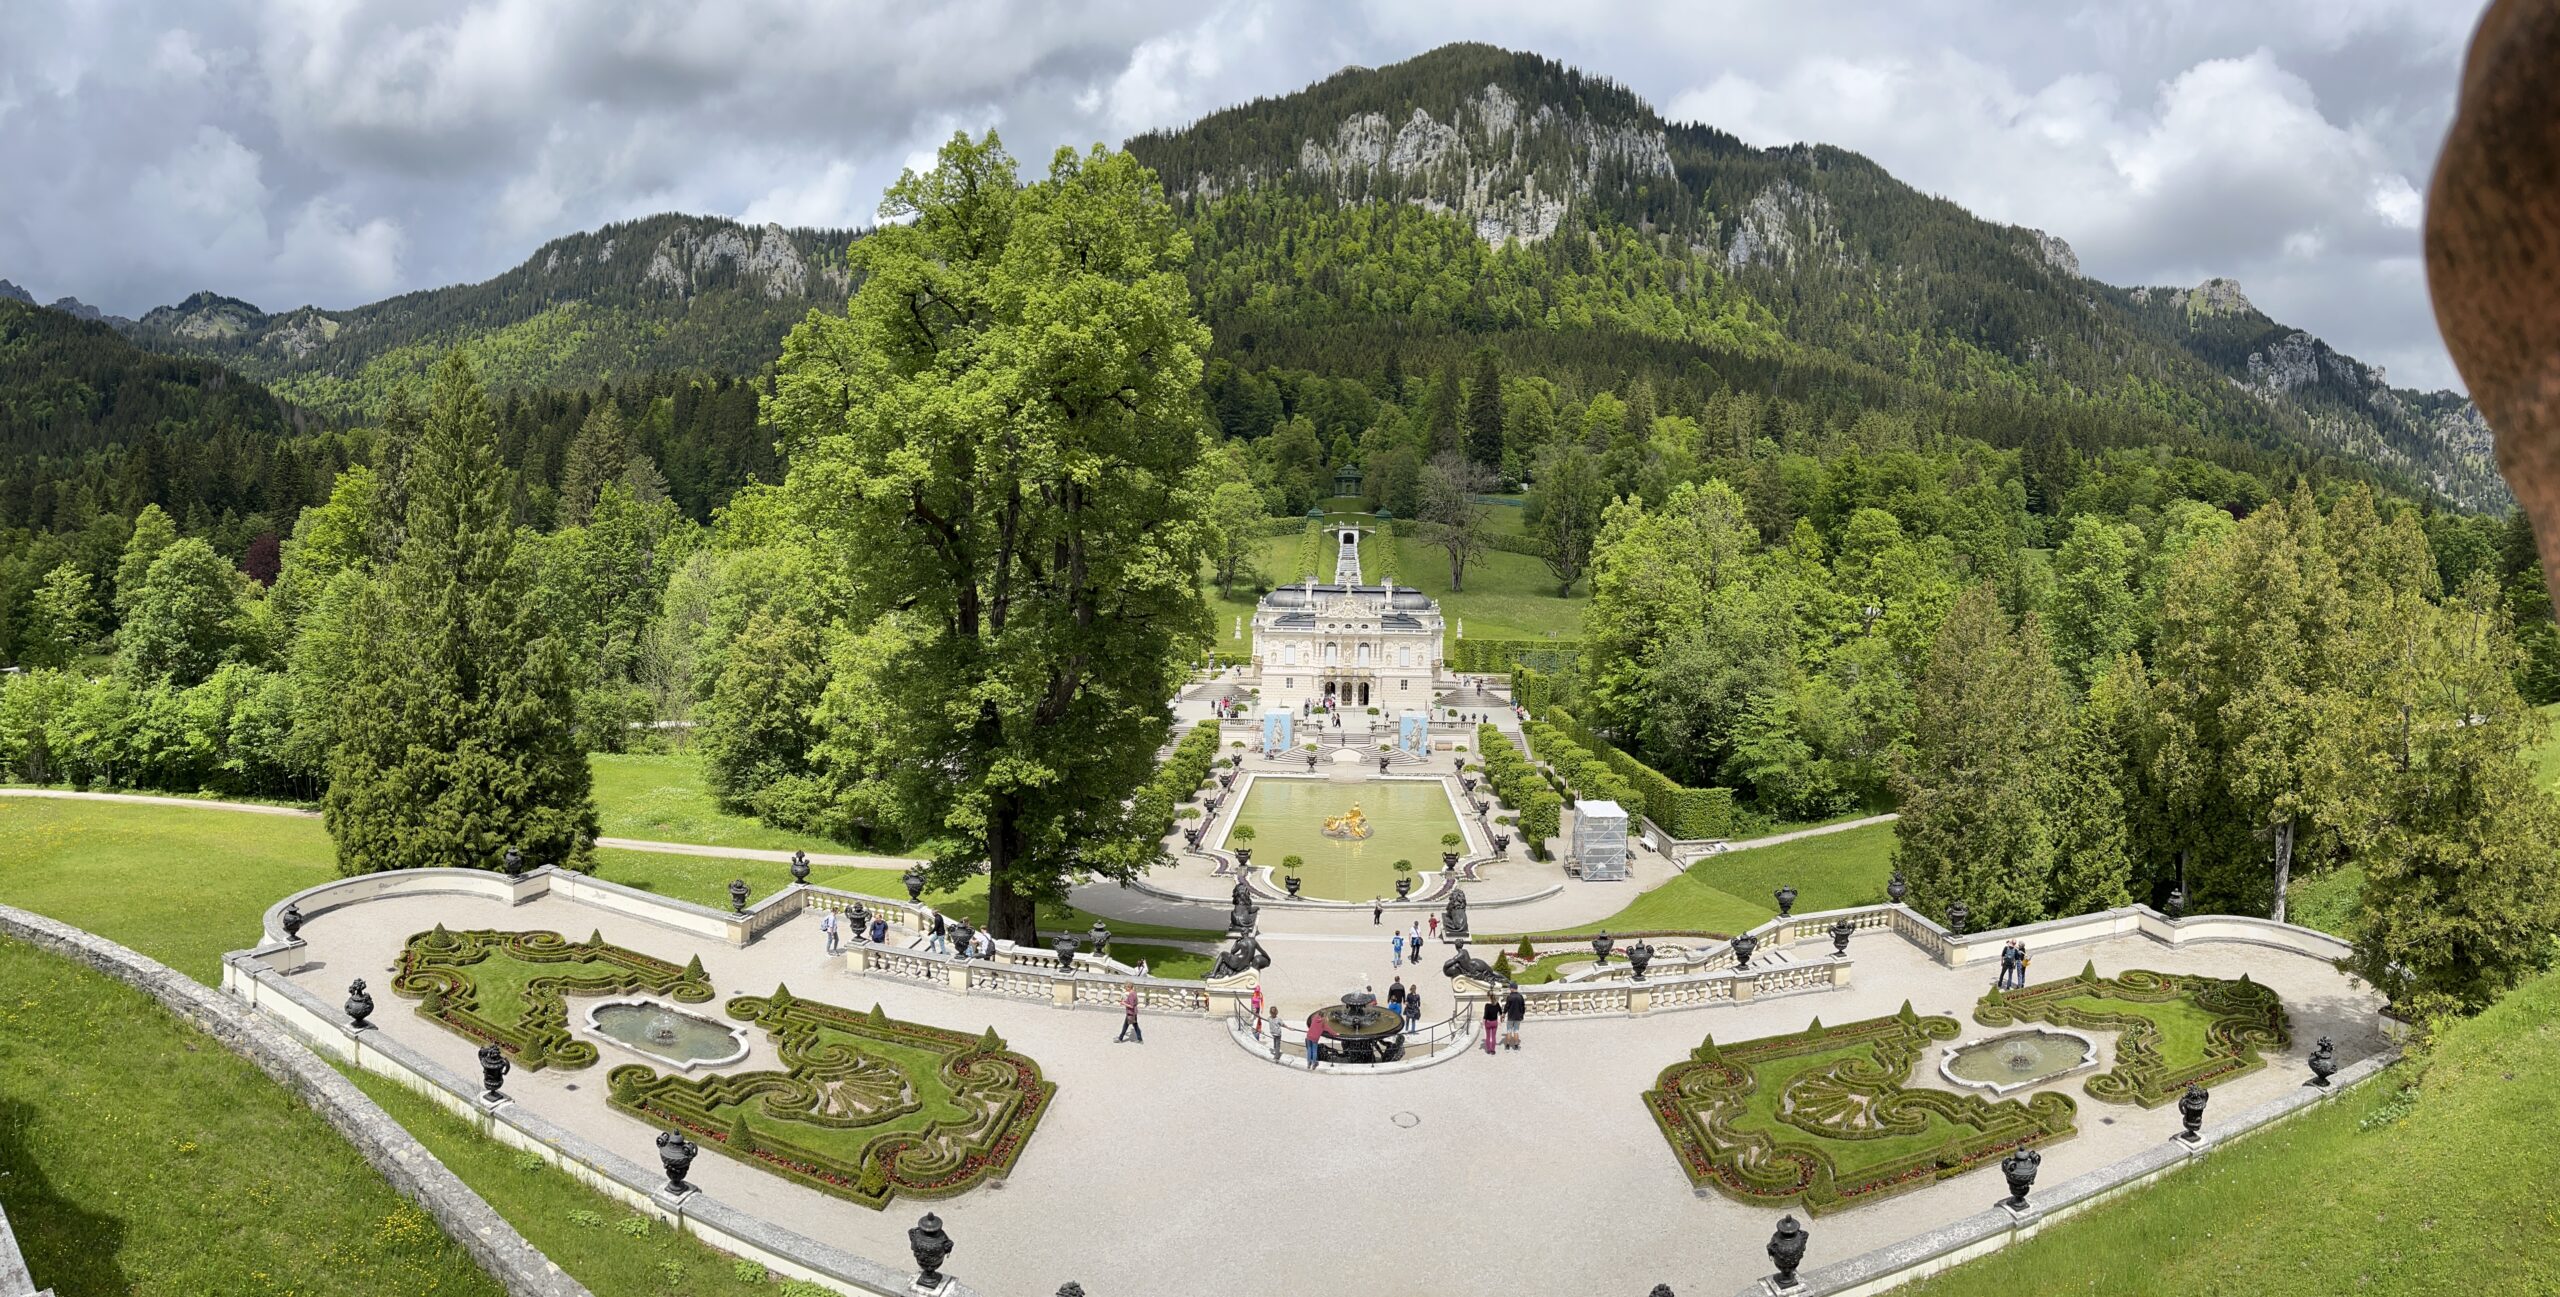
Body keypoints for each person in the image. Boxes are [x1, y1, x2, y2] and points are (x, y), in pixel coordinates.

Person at [1502, 983, 1526, 1050]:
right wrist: (1522, 1015)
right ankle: (1516, 1046)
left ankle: (1507, 1045)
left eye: (1510, 988)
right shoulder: (1520, 997)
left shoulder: (1509, 997)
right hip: (1518, 1017)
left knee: (1509, 1031)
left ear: (1512, 988)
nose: (1509, 989)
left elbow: (1506, 1007)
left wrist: (1504, 1013)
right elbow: (1523, 1007)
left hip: (1510, 1017)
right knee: (1516, 1031)